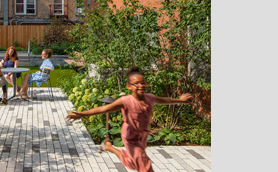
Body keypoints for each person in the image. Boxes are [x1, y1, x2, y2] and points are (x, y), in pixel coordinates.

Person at [65, 66, 193, 172]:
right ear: (129, 86)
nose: (140, 85)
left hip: (142, 135)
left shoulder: (150, 98)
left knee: (132, 163)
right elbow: (103, 109)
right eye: (136, 83)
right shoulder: (125, 101)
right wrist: (81, 114)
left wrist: (180, 100)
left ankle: (109, 146)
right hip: (130, 136)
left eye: (143, 83)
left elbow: (166, 100)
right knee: (143, 162)